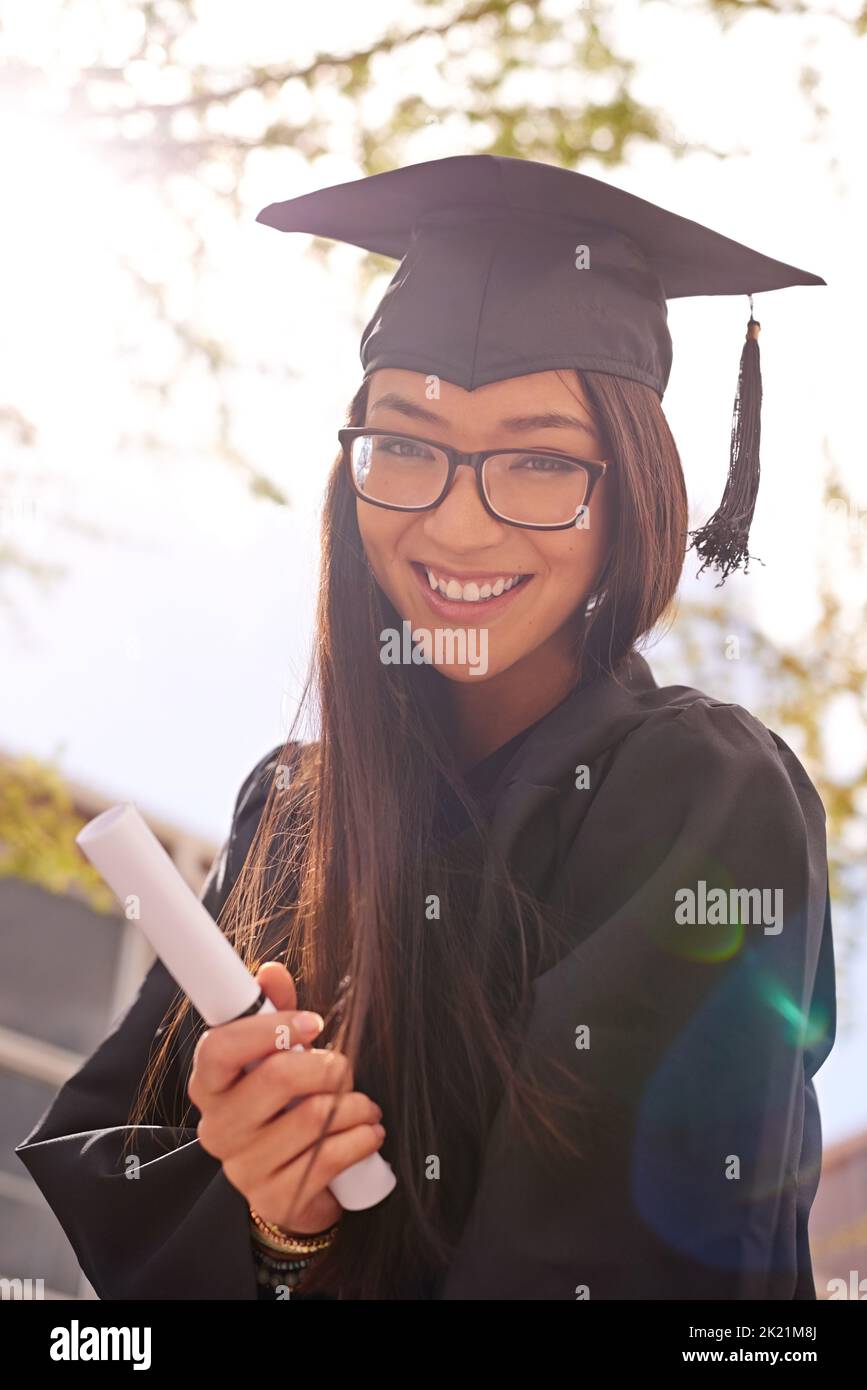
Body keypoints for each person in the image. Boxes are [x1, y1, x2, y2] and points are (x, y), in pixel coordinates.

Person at [17, 154, 836, 1301]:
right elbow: (138, 1209)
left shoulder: (701, 797)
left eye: (540, 460)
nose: (456, 525)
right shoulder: (291, 815)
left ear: (632, 494)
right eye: (404, 444)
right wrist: (278, 1229)